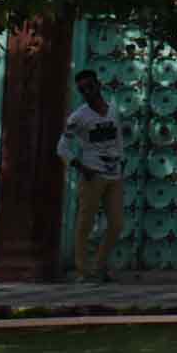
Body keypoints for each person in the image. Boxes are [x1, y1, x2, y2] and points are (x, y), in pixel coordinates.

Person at [57, 69, 127, 282]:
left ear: (99, 85)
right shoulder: (78, 118)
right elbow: (62, 147)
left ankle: (99, 265)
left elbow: (118, 139)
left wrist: (122, 160)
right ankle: (83, 271)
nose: (87, 92)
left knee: (117, 224)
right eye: (82, 90)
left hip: (114, 174)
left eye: (90, 87)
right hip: (92, 174)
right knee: (85, 224)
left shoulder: (113, 109)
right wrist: (80, 166)